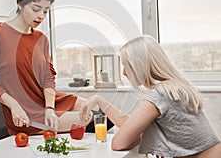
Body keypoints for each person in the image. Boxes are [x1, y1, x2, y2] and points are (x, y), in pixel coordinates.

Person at [0, 0, 91, 136]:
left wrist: (49, 108)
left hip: (48, 102)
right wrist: (13, 104)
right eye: (36, 9)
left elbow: (48, 77)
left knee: (93, 108)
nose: (41, 16)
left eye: (45, 11)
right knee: (92, 119)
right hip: (26, 111)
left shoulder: (41, 39)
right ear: (20, 4)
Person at [79, 35, 221, 158]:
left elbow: (118, 143)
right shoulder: (171, 87)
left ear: (138, 66)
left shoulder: (160, 94)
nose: (124, 73)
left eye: (126, 66)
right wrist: (100, 101)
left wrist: (138, 136)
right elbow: (130, 125)